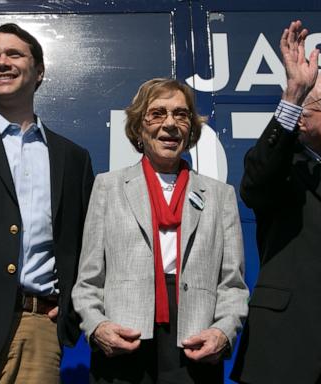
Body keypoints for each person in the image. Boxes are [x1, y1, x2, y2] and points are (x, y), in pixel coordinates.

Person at [72, 78, 248, 384]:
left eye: (181, 115)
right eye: (157, 114)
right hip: (123, 342)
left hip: (194, 343)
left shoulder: (220, 195)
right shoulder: (108, 187)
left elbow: (232, 285)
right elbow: (88, 281)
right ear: (139, 127)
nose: (170, 124)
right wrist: (97, 327)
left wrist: (222, 332)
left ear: (191, 129)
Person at [231, 20, 321, 384]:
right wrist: (294, 94)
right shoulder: (281, 169)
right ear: (301, 121)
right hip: (286, 348)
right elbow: (255, 183)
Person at [0, 23, 94, 383]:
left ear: (39, 71)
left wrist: (71, 312)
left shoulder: (73, 158)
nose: (1, 63)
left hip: (38, 329)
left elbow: (88, 242)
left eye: (13, 54)